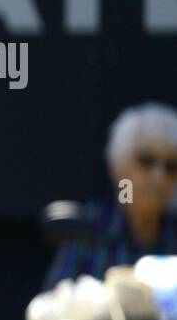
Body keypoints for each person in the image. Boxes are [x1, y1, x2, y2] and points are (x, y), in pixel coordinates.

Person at [41, 102, 177, 293]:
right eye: (146, 160)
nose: (159, 176)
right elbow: (52, 305)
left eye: (171, 166)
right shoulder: (91, 224)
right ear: (121, 165)